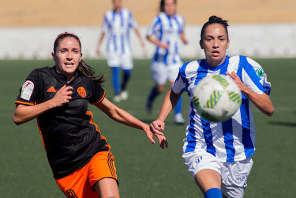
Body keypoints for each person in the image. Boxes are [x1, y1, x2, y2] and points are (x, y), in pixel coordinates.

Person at [13, 32, 166, 198]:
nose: (70, 56)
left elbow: (113, 111)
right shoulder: (39, 78)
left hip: (94, 152)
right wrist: (52, 102)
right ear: (53, 55)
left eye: (75, 51)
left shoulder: (85, 82)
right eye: (63, 51)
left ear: (80, 56)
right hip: (66, 170)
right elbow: (18, 116)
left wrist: (143, 125)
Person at [150, 16, 274, 198]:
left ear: (228, 42)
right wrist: (161, 118)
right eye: (209, 39)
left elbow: (269, 108)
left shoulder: (243, 67)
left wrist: (243, 88)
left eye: (221, 39)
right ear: (201, 43)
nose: (215, 44)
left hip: (237, 155)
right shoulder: (189, 70)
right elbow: (174, 91)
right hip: (200, 147)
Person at [145, 0, 188, 124]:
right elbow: (148, 35)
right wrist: (161, 45)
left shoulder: (180, 19)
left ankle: (178, 115)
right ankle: (151, 98)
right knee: (160, 88)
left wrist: (184, 39)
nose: (169, 7)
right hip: (160, 61)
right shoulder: (159, 19)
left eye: (172, 4)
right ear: (163, 6)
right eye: (167, 5)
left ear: (175, 5)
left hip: (175, 60)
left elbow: (181, 32)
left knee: (176, 86)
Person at [96, 0, 145, 102]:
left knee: (127, 71)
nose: (116, 2)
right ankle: (117, 93)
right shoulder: (108, 15)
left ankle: (123, 86)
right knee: (115, 70)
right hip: (112, 48)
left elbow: (135, 27)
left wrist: (141, 40)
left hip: (125, 48)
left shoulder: (127, 14)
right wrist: (98, 46)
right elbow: (104, 31)